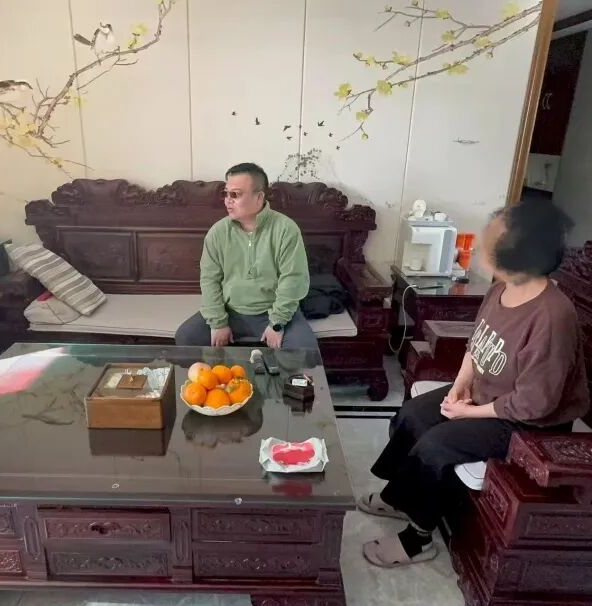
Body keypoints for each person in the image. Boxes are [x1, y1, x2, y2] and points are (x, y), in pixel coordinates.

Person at [358, 198, 590, 568]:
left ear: (520, 255)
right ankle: (398, 497)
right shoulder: (501, 289)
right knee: (414, 414)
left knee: (437, 445)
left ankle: (418, 538)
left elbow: (535, 404)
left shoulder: (552, 317)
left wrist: (468, 413)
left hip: (528, 421)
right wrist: (460, 385)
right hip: (488, 396)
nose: (480, 245)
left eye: (490, 241)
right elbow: (476, 345)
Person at [175, 162, 318, 351]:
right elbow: (209, 280)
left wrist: (277, 323)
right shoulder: (218, 232)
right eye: (226, 194)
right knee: (186, 336)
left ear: (259, 197)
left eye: (235, 194)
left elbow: (293, 279)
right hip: (230, 311)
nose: (228, 201)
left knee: (304, 349)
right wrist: (218, 322)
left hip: (272, 311)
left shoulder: (286, 229)